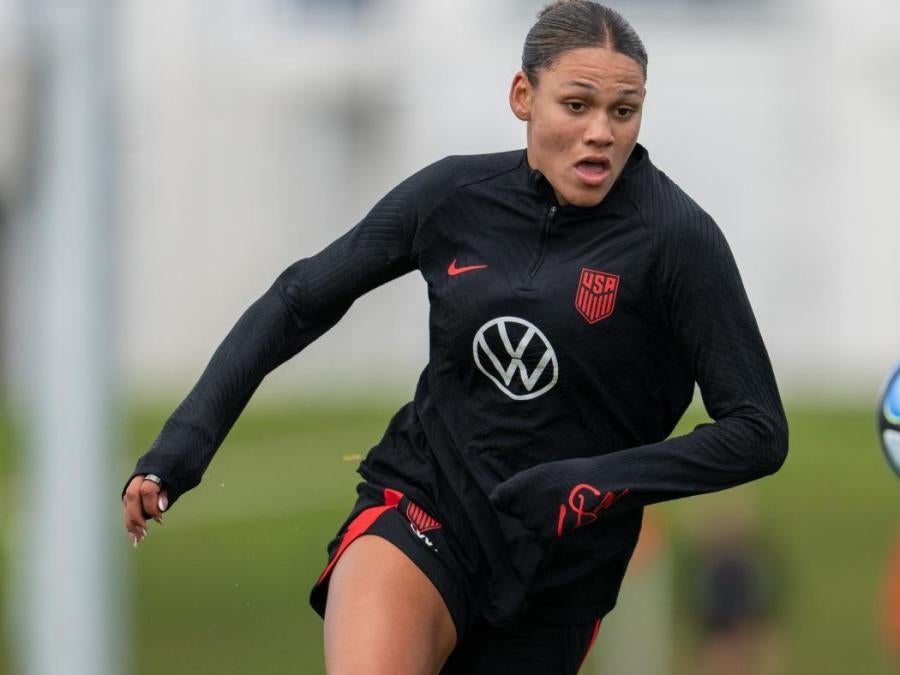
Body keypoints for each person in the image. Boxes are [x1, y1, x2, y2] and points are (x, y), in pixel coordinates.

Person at [121, 1, 788, 673]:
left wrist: (593, 483)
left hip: (558, 582)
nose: (601, 133)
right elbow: (298, 299)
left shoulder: (677, 240)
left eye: (623, 111)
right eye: (577, 105)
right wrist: (180, 447)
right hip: (421, 506)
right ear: (523, 96)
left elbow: (758, 430)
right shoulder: (455, 195)